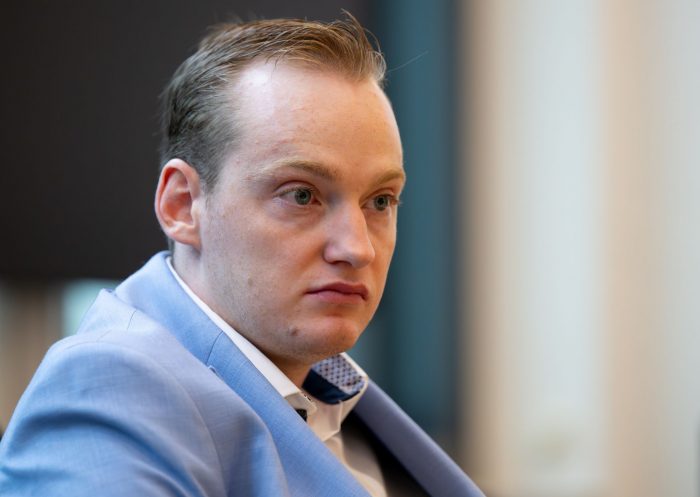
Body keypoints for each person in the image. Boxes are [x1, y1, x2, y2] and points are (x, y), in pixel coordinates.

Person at [0, 14, 484, 497]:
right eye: (301, 195)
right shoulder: (108, 391)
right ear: (182, 205)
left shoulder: (326, 394)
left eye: (380, 201)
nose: (357, 248)